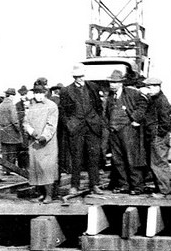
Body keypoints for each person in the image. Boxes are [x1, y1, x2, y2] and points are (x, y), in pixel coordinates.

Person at [59, 64, 104, 194]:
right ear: (74, 77)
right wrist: (69, 124)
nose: (80, 79)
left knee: (93, 157)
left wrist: (98, 120)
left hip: (92, 127)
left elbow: (99, 106)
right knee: (76, 157)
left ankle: (94, 184)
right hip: (76, 128)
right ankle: (75, 185)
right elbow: (63, 111)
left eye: (82, 76)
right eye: (77, 77)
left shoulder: (93, 87)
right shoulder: (66, 91)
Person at [105, 70, 147, 194]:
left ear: (121, 83)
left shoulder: (132, 93)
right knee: (118, 160)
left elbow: (143, 104)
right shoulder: (110, 96)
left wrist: (135, 118)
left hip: (127, 130)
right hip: (114, 131)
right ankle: (124, 185)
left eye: (115, 82)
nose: (112, 84)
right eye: (111, 82)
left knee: (131, 158)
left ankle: (137, 186)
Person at [23, 84, 60, 202]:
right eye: (36, 93)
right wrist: (32, 132)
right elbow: (25, 122)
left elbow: (52, 124)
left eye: (41, 92)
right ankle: (40, 193)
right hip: (34, 141)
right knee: (35, 167)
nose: (38, 95)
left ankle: (49, 194)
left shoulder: (51, 105)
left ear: (45, 92)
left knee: (47, 167)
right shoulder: (30, 105)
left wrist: (44, 136)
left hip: (47, 142)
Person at [142, 77, 171, 196]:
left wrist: (158, 135)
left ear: (157, 87)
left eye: (149, 87)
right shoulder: (155, 99)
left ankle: (164, 190)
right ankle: (160, 189)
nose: (148, 90)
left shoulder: (161, 101)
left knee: (159, 163)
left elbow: (165, 122)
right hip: (155, 136)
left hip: (158, 137)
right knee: (156, 163)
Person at [0, 88, 23, 176]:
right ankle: (11, 169)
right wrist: (19, 129)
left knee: (5, 152)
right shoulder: (11, 105)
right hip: (12, 132)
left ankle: (4, 169)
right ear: (11, 96)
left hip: (3, 131)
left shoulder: (1, 105)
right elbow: (14, 120)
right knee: (12, 152)